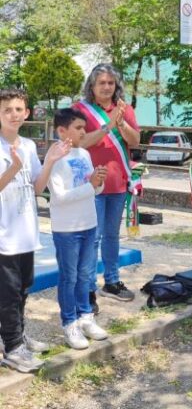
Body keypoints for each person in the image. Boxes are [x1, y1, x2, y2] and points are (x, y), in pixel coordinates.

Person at [0, 89, 68, 373]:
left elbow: (37, 188)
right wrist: (13, 167)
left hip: (26, 231)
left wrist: (50, 160)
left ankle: (17, 337)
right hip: (3, 235)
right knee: (8, 292)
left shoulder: (27, 145)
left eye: (19, 109)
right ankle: (13, 348)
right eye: (7, 110)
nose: (14, 114)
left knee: (24, 287)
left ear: (27, 113)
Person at [74, 64, 141, 310]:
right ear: (92, 85)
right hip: (90, 184)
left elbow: (135, 141)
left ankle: (111, 281)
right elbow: (78, 142)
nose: (106, 87)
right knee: (92, 238)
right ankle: (87, 288)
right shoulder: (80, 111)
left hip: (118, 183)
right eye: (101, 83)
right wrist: (108, 125)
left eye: (110, 83)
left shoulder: (124, 109)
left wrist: (121, 123)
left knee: (112, 236)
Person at [47, 108, 110, 350]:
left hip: (88, 223)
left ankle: (86, 317)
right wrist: (91, 185)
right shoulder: (54, 157)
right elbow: (60, 197)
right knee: (69, 277)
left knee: (86, 275)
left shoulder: (84, 153)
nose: (84, 132)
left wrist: (99, 182)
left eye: (84, 127)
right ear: (62, 130)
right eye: (79, 128)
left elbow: (93, 189)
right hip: (67, 229)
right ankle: (69, 323)